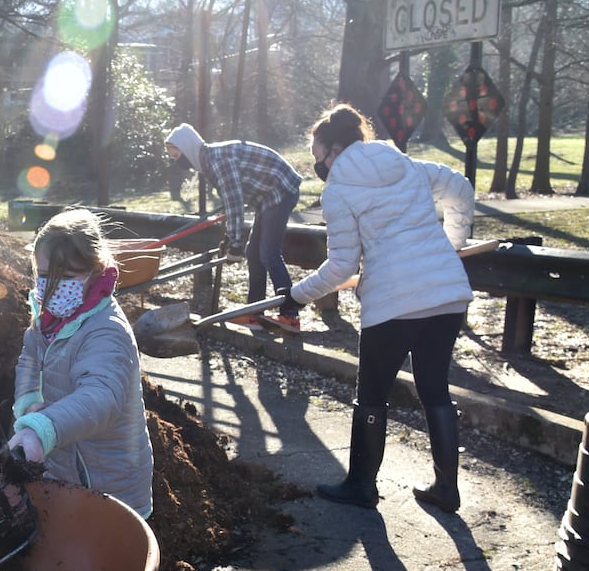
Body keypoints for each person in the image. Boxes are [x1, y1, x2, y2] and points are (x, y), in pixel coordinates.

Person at [7, 208, 154, 571]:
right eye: (41, 276)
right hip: (68, 479)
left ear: (93, 272)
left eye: (62, 279)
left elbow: (101, 399)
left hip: (112, 488)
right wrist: (28, 407)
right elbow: (29, 356)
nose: (48, 289)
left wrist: (43, 428)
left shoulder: (106, 331)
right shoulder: (49, 318)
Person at [287, 103, 475, 513]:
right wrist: (452, 246)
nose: (320, 168)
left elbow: (341, 266)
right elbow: (461, 188)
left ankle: (361, 486)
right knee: (434, 389)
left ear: (335, 150)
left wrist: (296, 295)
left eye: (320, 159)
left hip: (393, 304)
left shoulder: (338, 190)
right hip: (446, 296)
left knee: (372, 394)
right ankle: (447, 489)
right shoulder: (405, 164)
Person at [164, 124, 304, 333]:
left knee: (268, 253)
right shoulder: (209, 160)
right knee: (253, 254)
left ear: (188, 149)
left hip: (279, 189)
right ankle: (255, 313)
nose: (178, 161)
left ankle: (289, 315)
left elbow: (235, 203)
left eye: (177, 155)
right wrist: (231, 240)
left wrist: (235, 243)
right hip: (266, 196)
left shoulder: (216, 161)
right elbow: (235, 198)